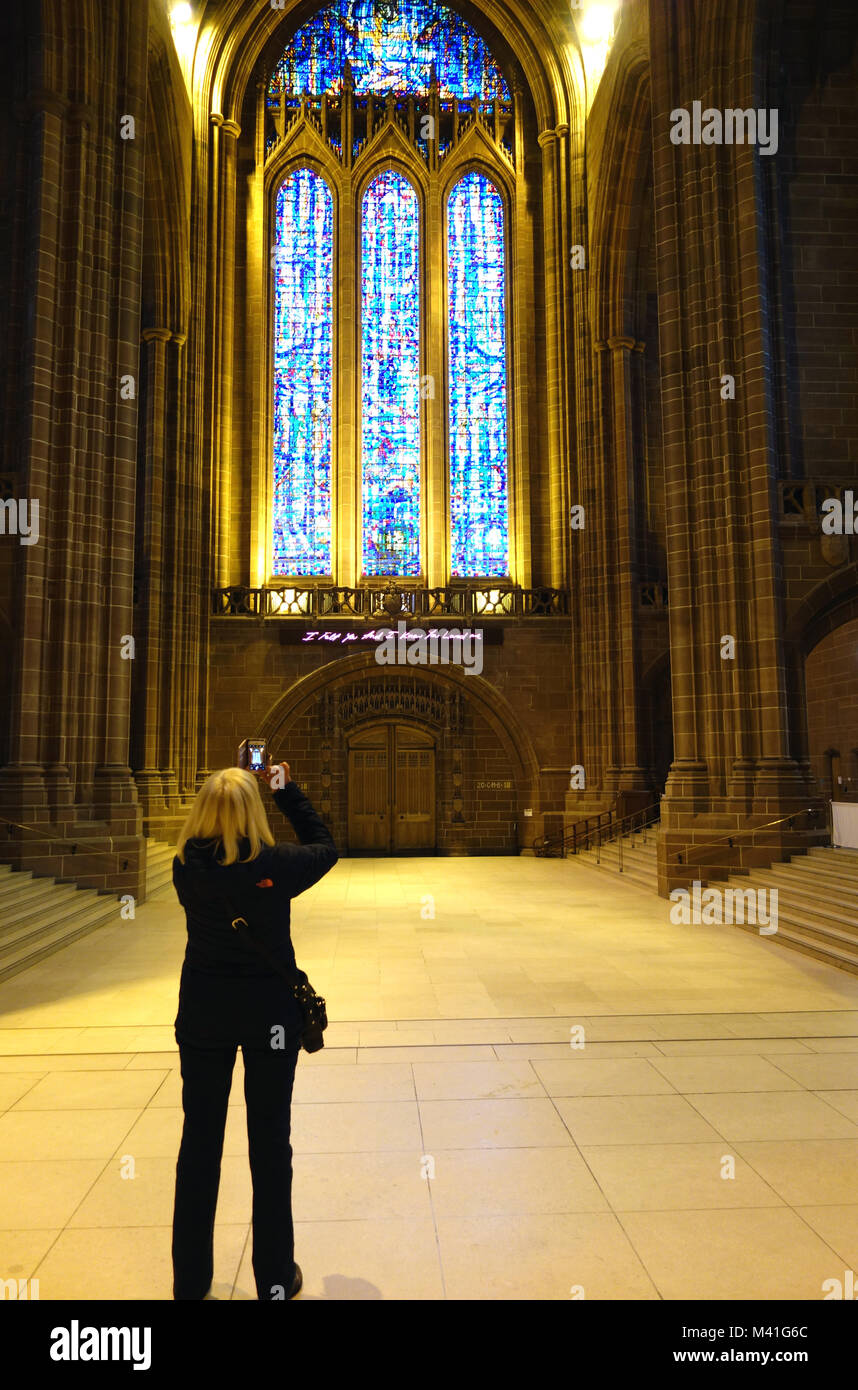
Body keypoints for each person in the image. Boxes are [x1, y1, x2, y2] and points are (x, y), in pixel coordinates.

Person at [170, 760, 338, 1300]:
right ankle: (273, 1278)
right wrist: (286, 789)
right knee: (270, 1145)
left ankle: (191, 1285)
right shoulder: (276, 865)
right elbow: (325, 846)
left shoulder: (183, 866)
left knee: (199, 1146)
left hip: (204, 1015)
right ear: (253, 810)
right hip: (269, 1016)